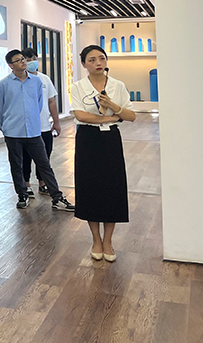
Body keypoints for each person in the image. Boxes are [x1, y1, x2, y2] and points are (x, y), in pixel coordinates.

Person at [71, 45, 135, 262]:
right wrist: (112, 117)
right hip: (87, 139)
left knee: (112, 187)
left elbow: (131, 115)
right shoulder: (78, 87)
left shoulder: (118, 85)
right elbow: (81, 116)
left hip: (110, 140)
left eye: (101, 58)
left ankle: (108, 241)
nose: (98, 63)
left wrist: (113, 106)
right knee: (90, 187)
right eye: (91, 60)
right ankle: (95, 240)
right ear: (84, 64)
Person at [0, 49, 75, 211]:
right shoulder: (4, 84)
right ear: (11, 65)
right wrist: (6, 125)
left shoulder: (37, 81)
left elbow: (39, 104)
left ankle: (57, 197)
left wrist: (33, 120)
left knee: (44, 164)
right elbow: (0, 107)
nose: (23, 62)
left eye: (23, 59)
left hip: (33, 131)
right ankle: (22, 194)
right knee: (16, 165)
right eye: (18, 60)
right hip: (13, 132)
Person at [21, 48, 61, 198]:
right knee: (25, 158)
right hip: (26, 128)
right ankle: (26, 185)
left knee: (45, 157)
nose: (31, 62)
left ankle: (42, 183)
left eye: (33, 59)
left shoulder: (45, 79)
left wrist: (56, 122)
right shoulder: (20, 80)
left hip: (44, 126)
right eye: (27, 60)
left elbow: (51, 101)